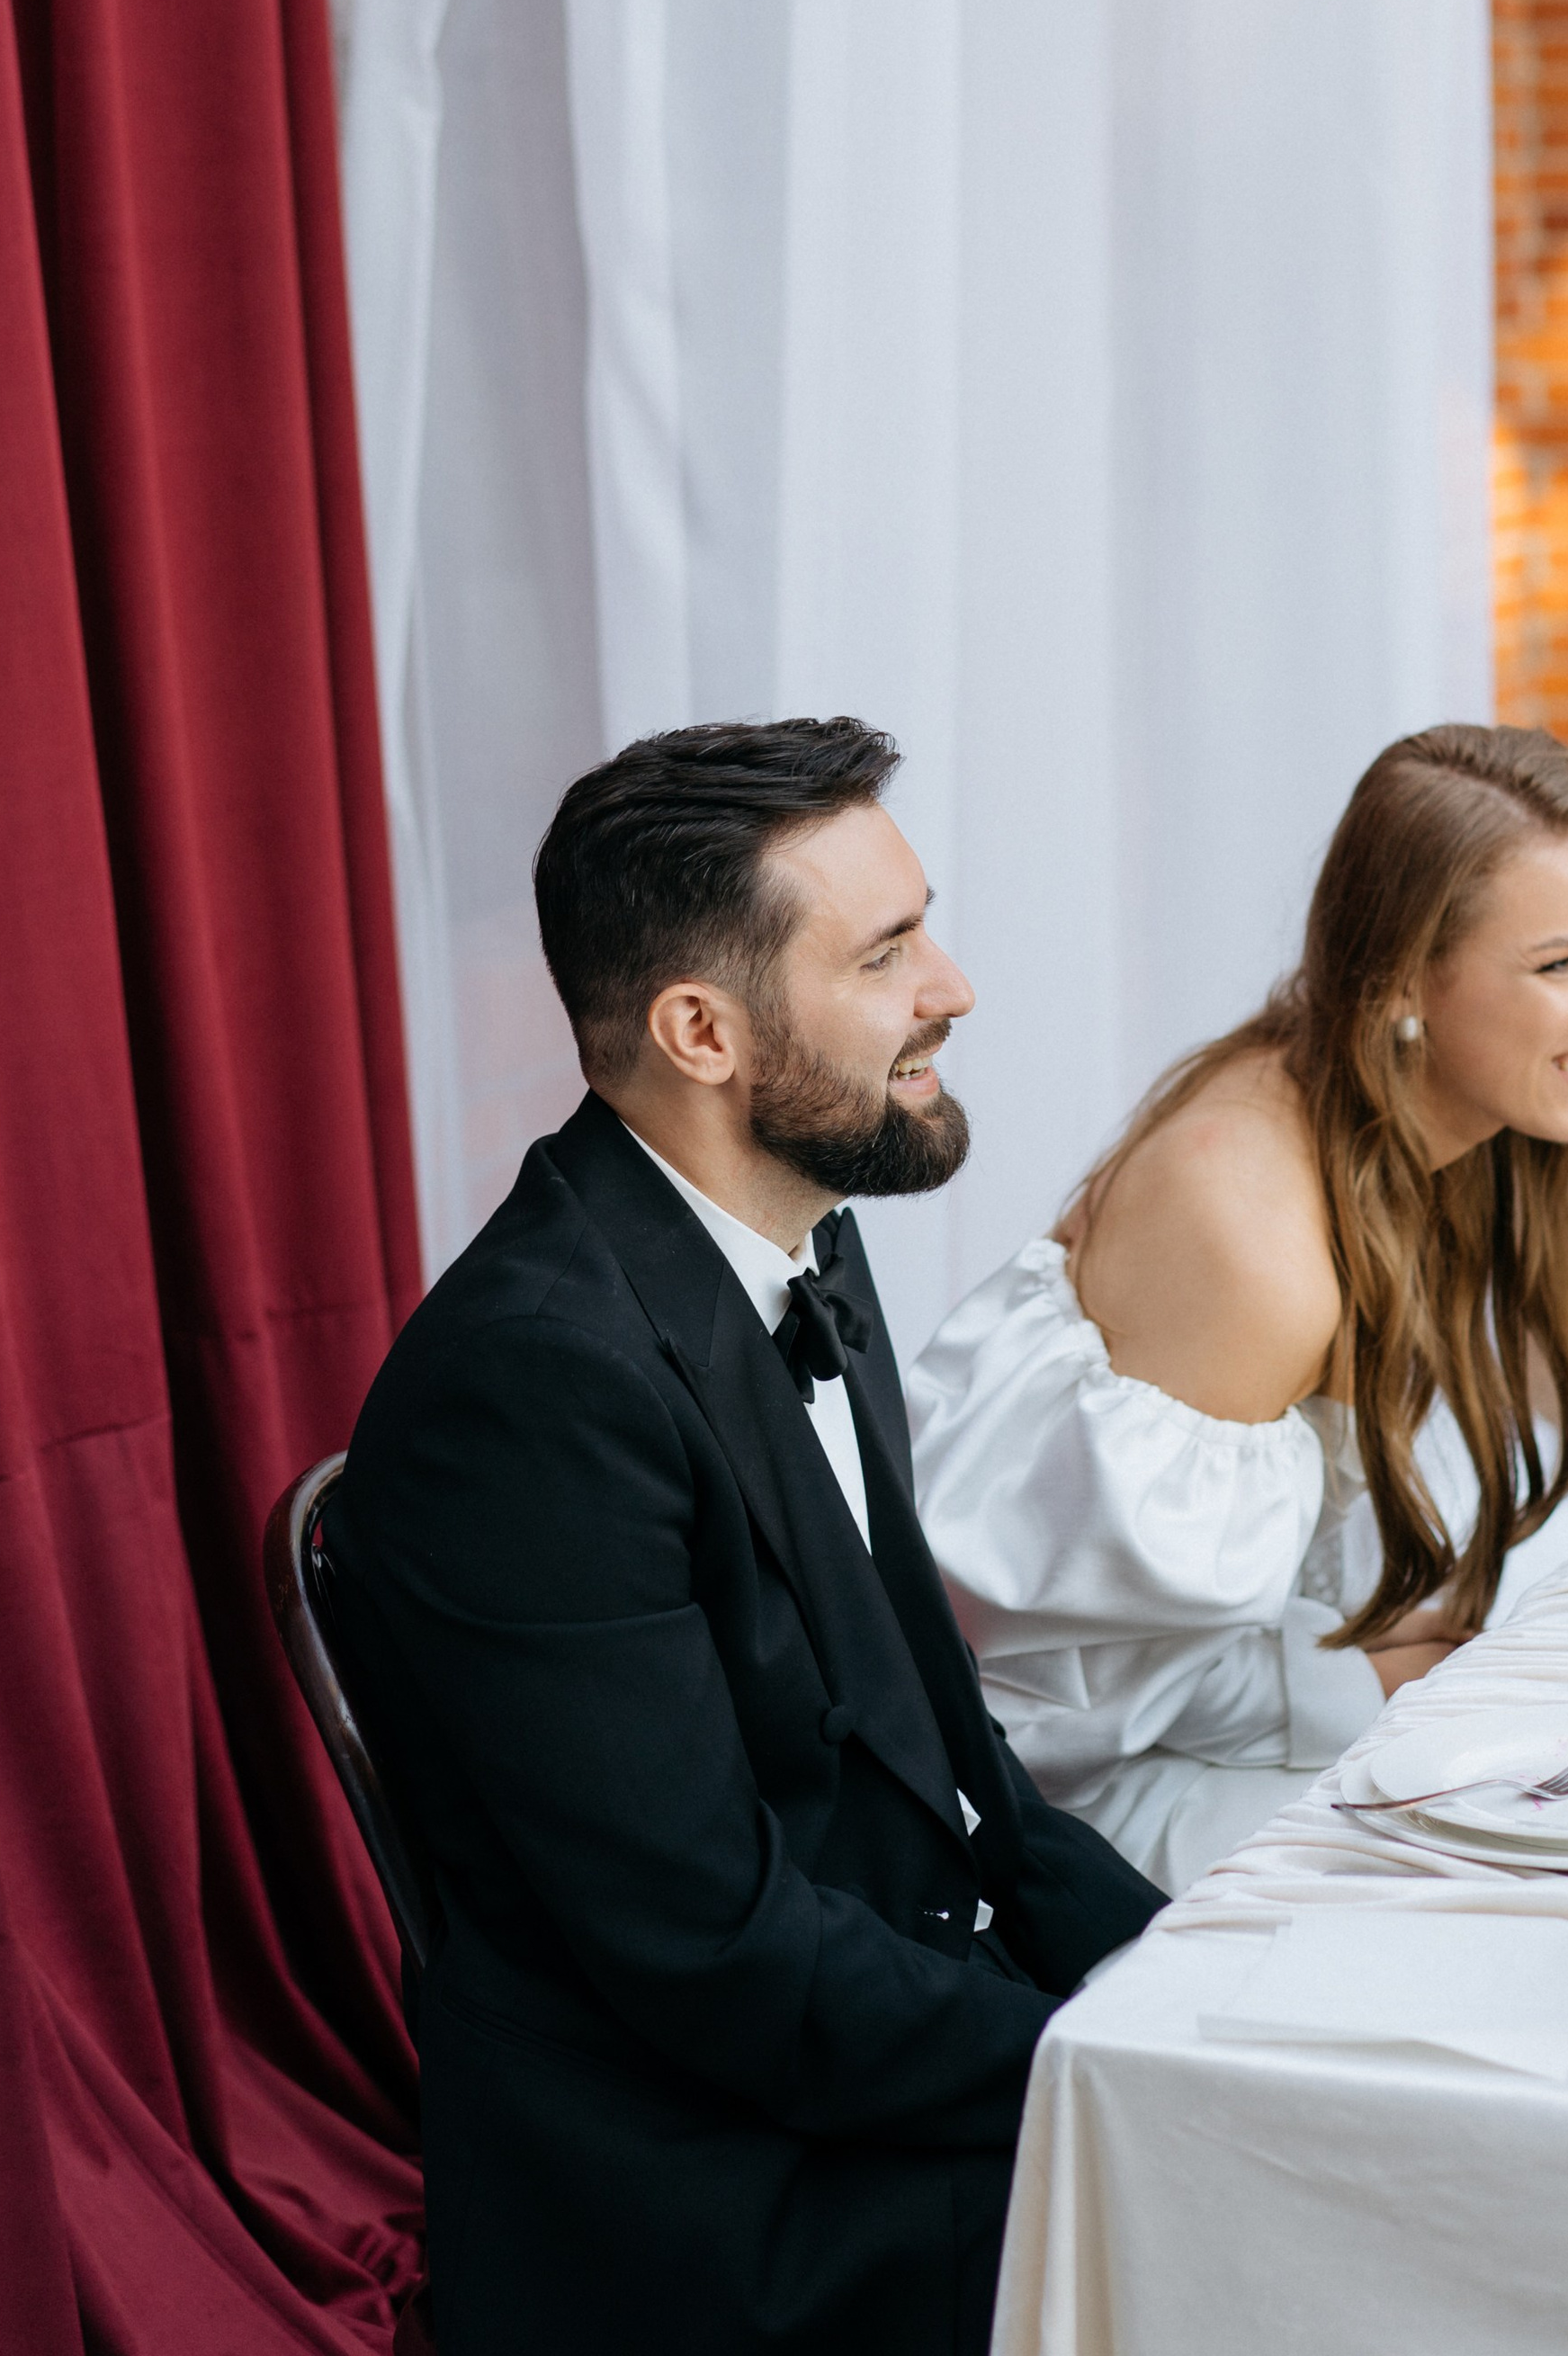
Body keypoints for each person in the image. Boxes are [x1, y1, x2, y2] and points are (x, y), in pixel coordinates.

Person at [321, 720, 1163, 2356]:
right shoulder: (532, 1390)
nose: (953, 988)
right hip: (711, 2202)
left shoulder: (801, 1240)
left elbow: (960, 1772)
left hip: (873, 2041)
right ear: (702, 1031)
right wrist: (1107, 2065)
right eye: (886, 953)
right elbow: (712, 1956)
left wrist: (1196, 1978)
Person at [909, 723, 1568, 1895]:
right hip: (1106, 1799)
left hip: (1281, 1664)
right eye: (1563, 964)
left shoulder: (1412, 1105)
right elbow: (1060, 1699)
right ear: (1406, 976)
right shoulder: (1256, 1244)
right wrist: (1375, 1680)